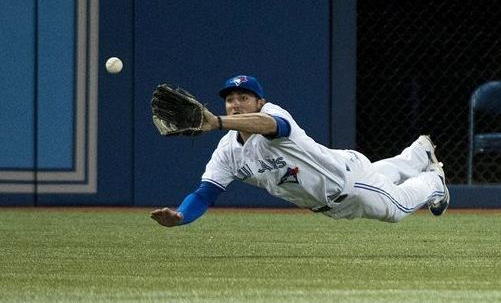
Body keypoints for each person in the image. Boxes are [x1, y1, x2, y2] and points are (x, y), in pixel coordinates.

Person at [150, 75, 450, 227]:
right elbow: (205, 193)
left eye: (244, 97)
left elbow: (269, 125)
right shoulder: (228, 151)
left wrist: (217, 122)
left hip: (350, 184)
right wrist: (180, 215)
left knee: (397, 209)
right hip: (338, 176)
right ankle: (417, 154)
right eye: (230, 99)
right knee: (382, 174)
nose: (236, 103)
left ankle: (434, 182)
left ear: (259, 102)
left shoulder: (274, 115)